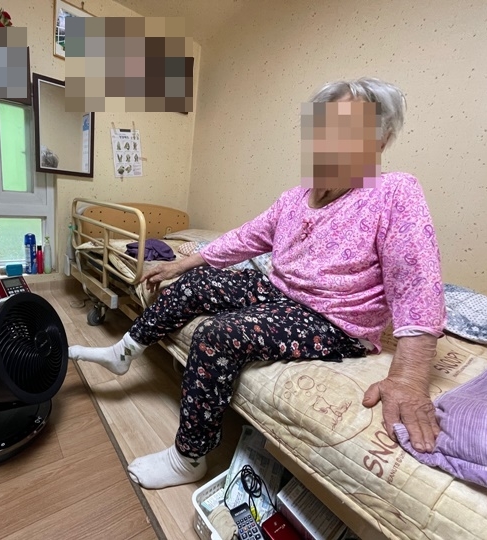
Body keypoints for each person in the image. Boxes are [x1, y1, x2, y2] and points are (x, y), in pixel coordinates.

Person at [69, 77, 446, 490]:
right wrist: (182, 264)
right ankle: (124, 352)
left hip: (333, 319)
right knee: (195, 283)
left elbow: (417, 282)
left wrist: (409, 379)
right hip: (280, 291)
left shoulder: (394, 192)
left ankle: (188, 458)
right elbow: (247, 237)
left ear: (380, 140)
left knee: (217, 336)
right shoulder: (295, 197)